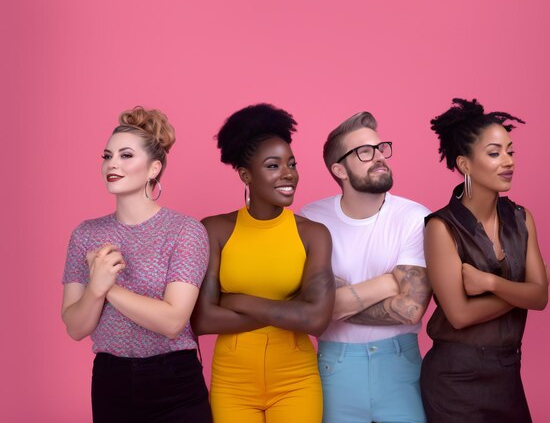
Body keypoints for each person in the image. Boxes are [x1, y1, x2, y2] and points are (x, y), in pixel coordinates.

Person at [61, 107, 212, 423]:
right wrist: (95, 290)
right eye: (107, 156)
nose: (111, 164)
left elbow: (172, 321)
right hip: (109, 379)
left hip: (174, 381)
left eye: (125, 155)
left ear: (154, 168)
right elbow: (75, 326)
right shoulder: (85, 234)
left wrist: (107, 288)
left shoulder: (185, 231)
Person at [191, 103, 335, 423]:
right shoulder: (215, 230)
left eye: (292, 163)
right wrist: (288, 311)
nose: (288, 174)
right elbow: (201, 319)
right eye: (273, 165)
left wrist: (237, 300)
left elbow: (316, 320)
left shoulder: (313, 234)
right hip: (233, 382)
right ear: (246, 175)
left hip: (296, 380)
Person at [420, 98, 549, 422]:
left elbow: (542, 298)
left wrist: (491, 283)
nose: (507, 161)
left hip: (507, 375)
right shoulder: (441, 227)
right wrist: (522, 291)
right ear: (465, 165)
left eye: (510, 151)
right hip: (454, 381)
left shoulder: (522, 219)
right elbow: (460, 315)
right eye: (494, 153)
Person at [301, 111, 432, 423]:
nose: (379, 158)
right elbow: (310, 311)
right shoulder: (311, 219)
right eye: (364, 152)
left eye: (380, 148)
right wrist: (387, 283)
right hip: (335, 366)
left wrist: (333, 304)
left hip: (400, 365)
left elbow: (411, 309)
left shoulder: (414, 218)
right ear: (339, 169)